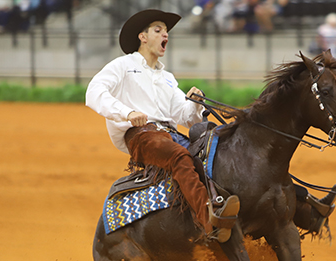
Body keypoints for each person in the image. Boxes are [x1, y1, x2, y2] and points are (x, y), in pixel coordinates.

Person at [85, 9, 240, 243]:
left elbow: (186, 116)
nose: (165, 35)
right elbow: (94, 92)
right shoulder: (123, 65)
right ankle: (210, 221)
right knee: (179, 156)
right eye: (158, 30)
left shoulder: (167, 77)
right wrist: (127, 112)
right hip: (141, 135)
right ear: (143, 37)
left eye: (166, 32)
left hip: (169, 134)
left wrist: (195, 104)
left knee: (213, 152)